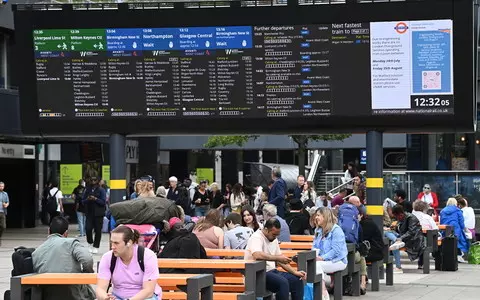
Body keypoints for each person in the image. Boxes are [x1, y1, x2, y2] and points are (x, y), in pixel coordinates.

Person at [32, 216, 95, 299]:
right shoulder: (71, 243)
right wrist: (85, 274)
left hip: (48, 295)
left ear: (48, 231)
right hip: (72, 294)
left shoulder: (37, 251)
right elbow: (87, 259)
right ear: (66, 233)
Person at [245, 218, 306, 300]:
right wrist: (277, 258)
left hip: (272, 271)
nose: (275, 237)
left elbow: (280, 260)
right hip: (258, 274)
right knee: (282, 283)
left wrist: (295, 272)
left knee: (296, 280)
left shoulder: (274, 239)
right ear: (266, 230)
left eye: (277, 235)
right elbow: (257, 254)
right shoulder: (256, 237)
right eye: (274, 234)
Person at [96, 225, 162, 300]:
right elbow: (100, 289)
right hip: (117, 296)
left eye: (116, 243)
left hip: (145, 297)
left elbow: (148, 291)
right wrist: (104, 297)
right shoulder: (107, 257)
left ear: (129, 243)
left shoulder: (147, 256)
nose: (112, 246)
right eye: (112, 242)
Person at [312, 207, 348, 300]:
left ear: (325, 216)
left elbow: (336, 251)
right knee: (311, 265)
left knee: (316, 265)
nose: (316, 217)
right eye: (316, 215)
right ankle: (315, 294)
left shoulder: (336, 230)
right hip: (323, 260)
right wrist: (314, 256)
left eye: (318, 215)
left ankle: (323, 293)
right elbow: (315, 247)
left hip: (338, 261)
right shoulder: (318, 230)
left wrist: (322, 258)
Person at [82, 177, 107, 254]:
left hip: (98, 214)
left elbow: (103, 202)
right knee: (88, 228)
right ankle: (90, 243)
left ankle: (96, 246)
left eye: (95, 180)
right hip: (89, 213)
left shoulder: (101, 190)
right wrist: (88, 199)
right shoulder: (87, 190)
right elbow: (83, 201)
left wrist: (95, 199)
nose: (93, 182)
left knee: (98, 230)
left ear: (97, 181)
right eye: (91, 180)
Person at [0, 181, 9, 246]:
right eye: (0, 186)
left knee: (3, 226)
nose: (1, 187)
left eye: (2, 186)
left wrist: (6, 205)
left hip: (2, 211)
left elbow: (7, 202)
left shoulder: (5, 194)